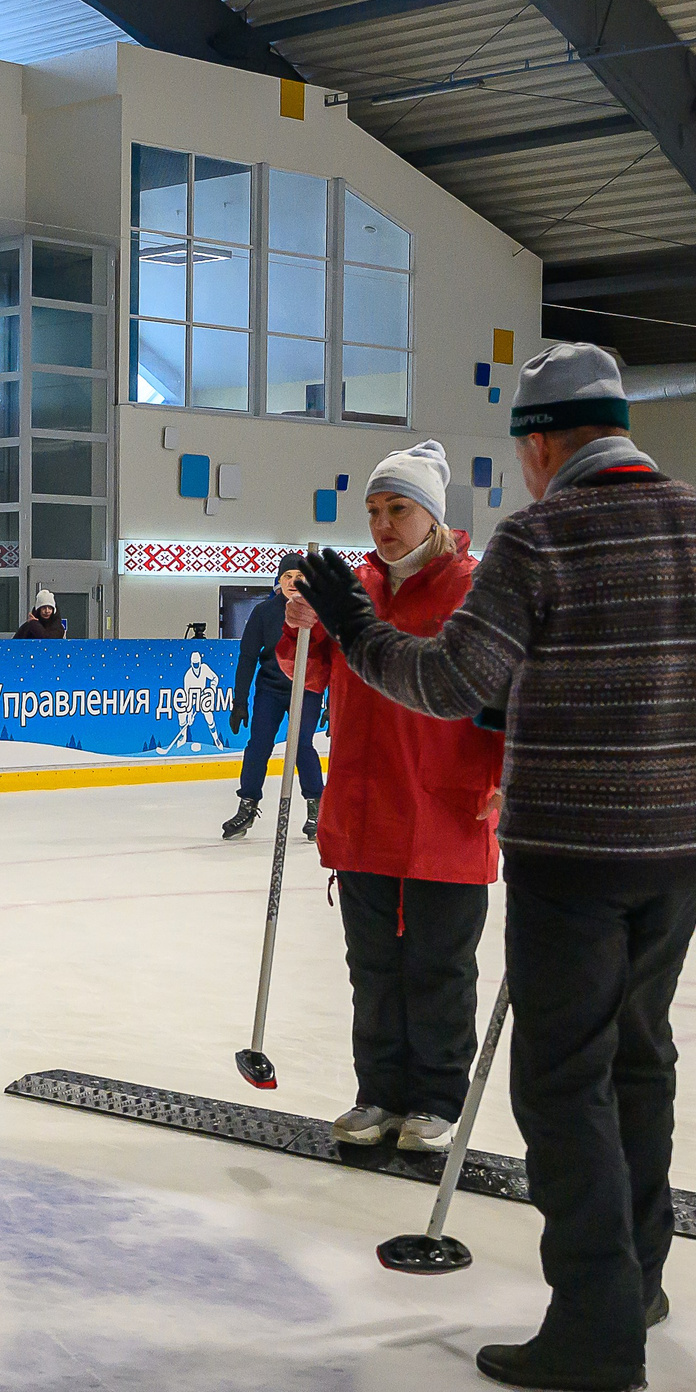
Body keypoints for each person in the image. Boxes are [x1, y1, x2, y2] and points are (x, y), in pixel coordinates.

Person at [296, 343, 696, 1392]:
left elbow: (448, 683)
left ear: (538, 443)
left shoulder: (542, 535)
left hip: (573, 847)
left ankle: (594, 1326)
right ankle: (637, 1280)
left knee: (563, 1079)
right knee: (640, 1056)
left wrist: (353, 625)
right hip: (683, 845)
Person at [283, 442, 503, 1157]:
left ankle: (436, 1100)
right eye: (374, 510)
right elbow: (307, 674)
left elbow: (509, 689)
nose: (383, 524)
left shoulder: (473, 588)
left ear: (432, 514)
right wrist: (299, 626)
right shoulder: (353, 588)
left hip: (446, 809)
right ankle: (377, 1092)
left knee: (440, 968)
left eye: (398, 509)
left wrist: (508, 773)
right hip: (365, 808)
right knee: (373, 968)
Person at [222, 559, 321, 842]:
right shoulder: (264, 612)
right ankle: (247, 805)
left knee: (301, 745)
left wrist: (335, 703)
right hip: (270, 689)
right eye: (287, 575)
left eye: (299, 576)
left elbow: (332, 658)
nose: (293, 581)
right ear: (279, 580)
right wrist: (239, 702)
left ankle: (317, 808)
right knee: (258, 746)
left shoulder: (318, 613)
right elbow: (247, 656)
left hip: (307, 689)